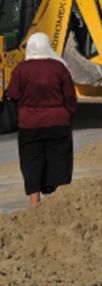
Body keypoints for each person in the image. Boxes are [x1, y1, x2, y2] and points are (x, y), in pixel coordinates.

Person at [7, 32, 77, 206]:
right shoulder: (59, 68)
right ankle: (58, 202)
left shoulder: (21, 69)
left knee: (31, 162)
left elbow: (13, 94)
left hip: (29, 124)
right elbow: (69, 96)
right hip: (58, 122)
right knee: (59, 161)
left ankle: (34, 202)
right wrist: (68, 113)